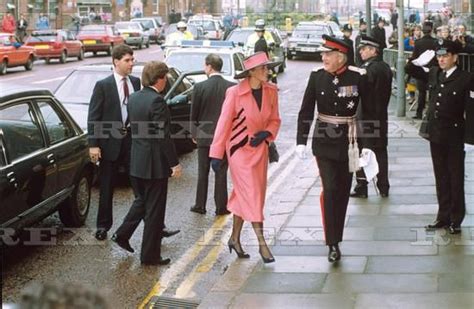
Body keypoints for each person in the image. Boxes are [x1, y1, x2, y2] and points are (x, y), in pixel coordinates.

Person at [295, 35, 367, 263]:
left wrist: (370, 146)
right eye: (323, 53)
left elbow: (371, 111)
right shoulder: (316, 77)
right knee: (331, 188)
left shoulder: (358, 77)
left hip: (349, 143)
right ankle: (332, 243)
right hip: (324, 142)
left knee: (343, 192)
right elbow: (306, 110)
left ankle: (338, 237)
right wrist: (300, 141)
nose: (323, 57)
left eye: (328, 54)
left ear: (341, 57)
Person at [209, 52, 281, 263]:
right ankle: (262, 244)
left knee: (245, 195)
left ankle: (234, 239)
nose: (267, 72)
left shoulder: (272, 91)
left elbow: (275, 120)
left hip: (260, 150)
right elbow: (223, 124)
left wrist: (267, 134)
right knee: (253, 195)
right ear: (251, 72)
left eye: (267, 68)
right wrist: (216, 153)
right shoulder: (234, 93)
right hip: (239, 151)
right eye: (262, 69)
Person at [112, 61, 182, 265]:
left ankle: (122, 235)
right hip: (155, 166)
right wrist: (174, 163)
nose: (166, 82)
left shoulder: (133, 98)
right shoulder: (157, 101)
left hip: (137, 161)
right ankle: (150, 256)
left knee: (142, 202)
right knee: (155, 211)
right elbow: (163, 135)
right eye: (166, 78)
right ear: (159, 79)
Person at [411, 40, 474, 235]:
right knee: (441, 177)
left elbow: (471, 111)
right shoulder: (434, 73)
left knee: (455, 177)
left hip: (454, 133)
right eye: (438, 56)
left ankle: (456, 219)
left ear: (455, 57)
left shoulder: (466, 78)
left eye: (445, 56)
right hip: (436, 133)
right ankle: (443, 216)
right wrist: (418, 61)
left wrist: (470, 139)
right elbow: (409, 70)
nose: (441, 59)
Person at [87, 44, 141, 241]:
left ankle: (156, 226)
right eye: (127, 60)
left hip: (132, 142)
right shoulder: (103, 85)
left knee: (140, 186)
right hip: (109, 144)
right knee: (107, 187)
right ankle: (103, 226)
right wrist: (93, 144)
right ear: (116, 61)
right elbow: (94, 117)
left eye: (132, 59)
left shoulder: (136, 82)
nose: (131, 63)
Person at [190, 54, 235, 215]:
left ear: (209, 66)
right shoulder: (231, 87)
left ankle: (200, 205)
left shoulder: (200, 87)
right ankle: (221, 207)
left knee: (203, 172)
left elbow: (194, 114)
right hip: (223, 137)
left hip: (204, 136)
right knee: (221, 172)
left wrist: (194, 133)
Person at [350, 35, 393, 198]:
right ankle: (383, 186)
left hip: (365, 116)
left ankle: (361, 185)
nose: (361, 52)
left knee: (362, 151)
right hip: (380, 116)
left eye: (364, 49)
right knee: (380, 151)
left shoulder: (367, 69)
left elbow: (360, 92)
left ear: (373, 50)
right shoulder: (385, 67)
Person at [410, 21, 438, 119]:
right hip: (433, 70)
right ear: (431, 30)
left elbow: (414, 57)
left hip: (421, 70)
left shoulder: (418, 42)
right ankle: (430, 114)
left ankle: (419, 113)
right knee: (432, 93)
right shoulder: (435, 42)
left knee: (421, 93)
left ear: (423, 31)